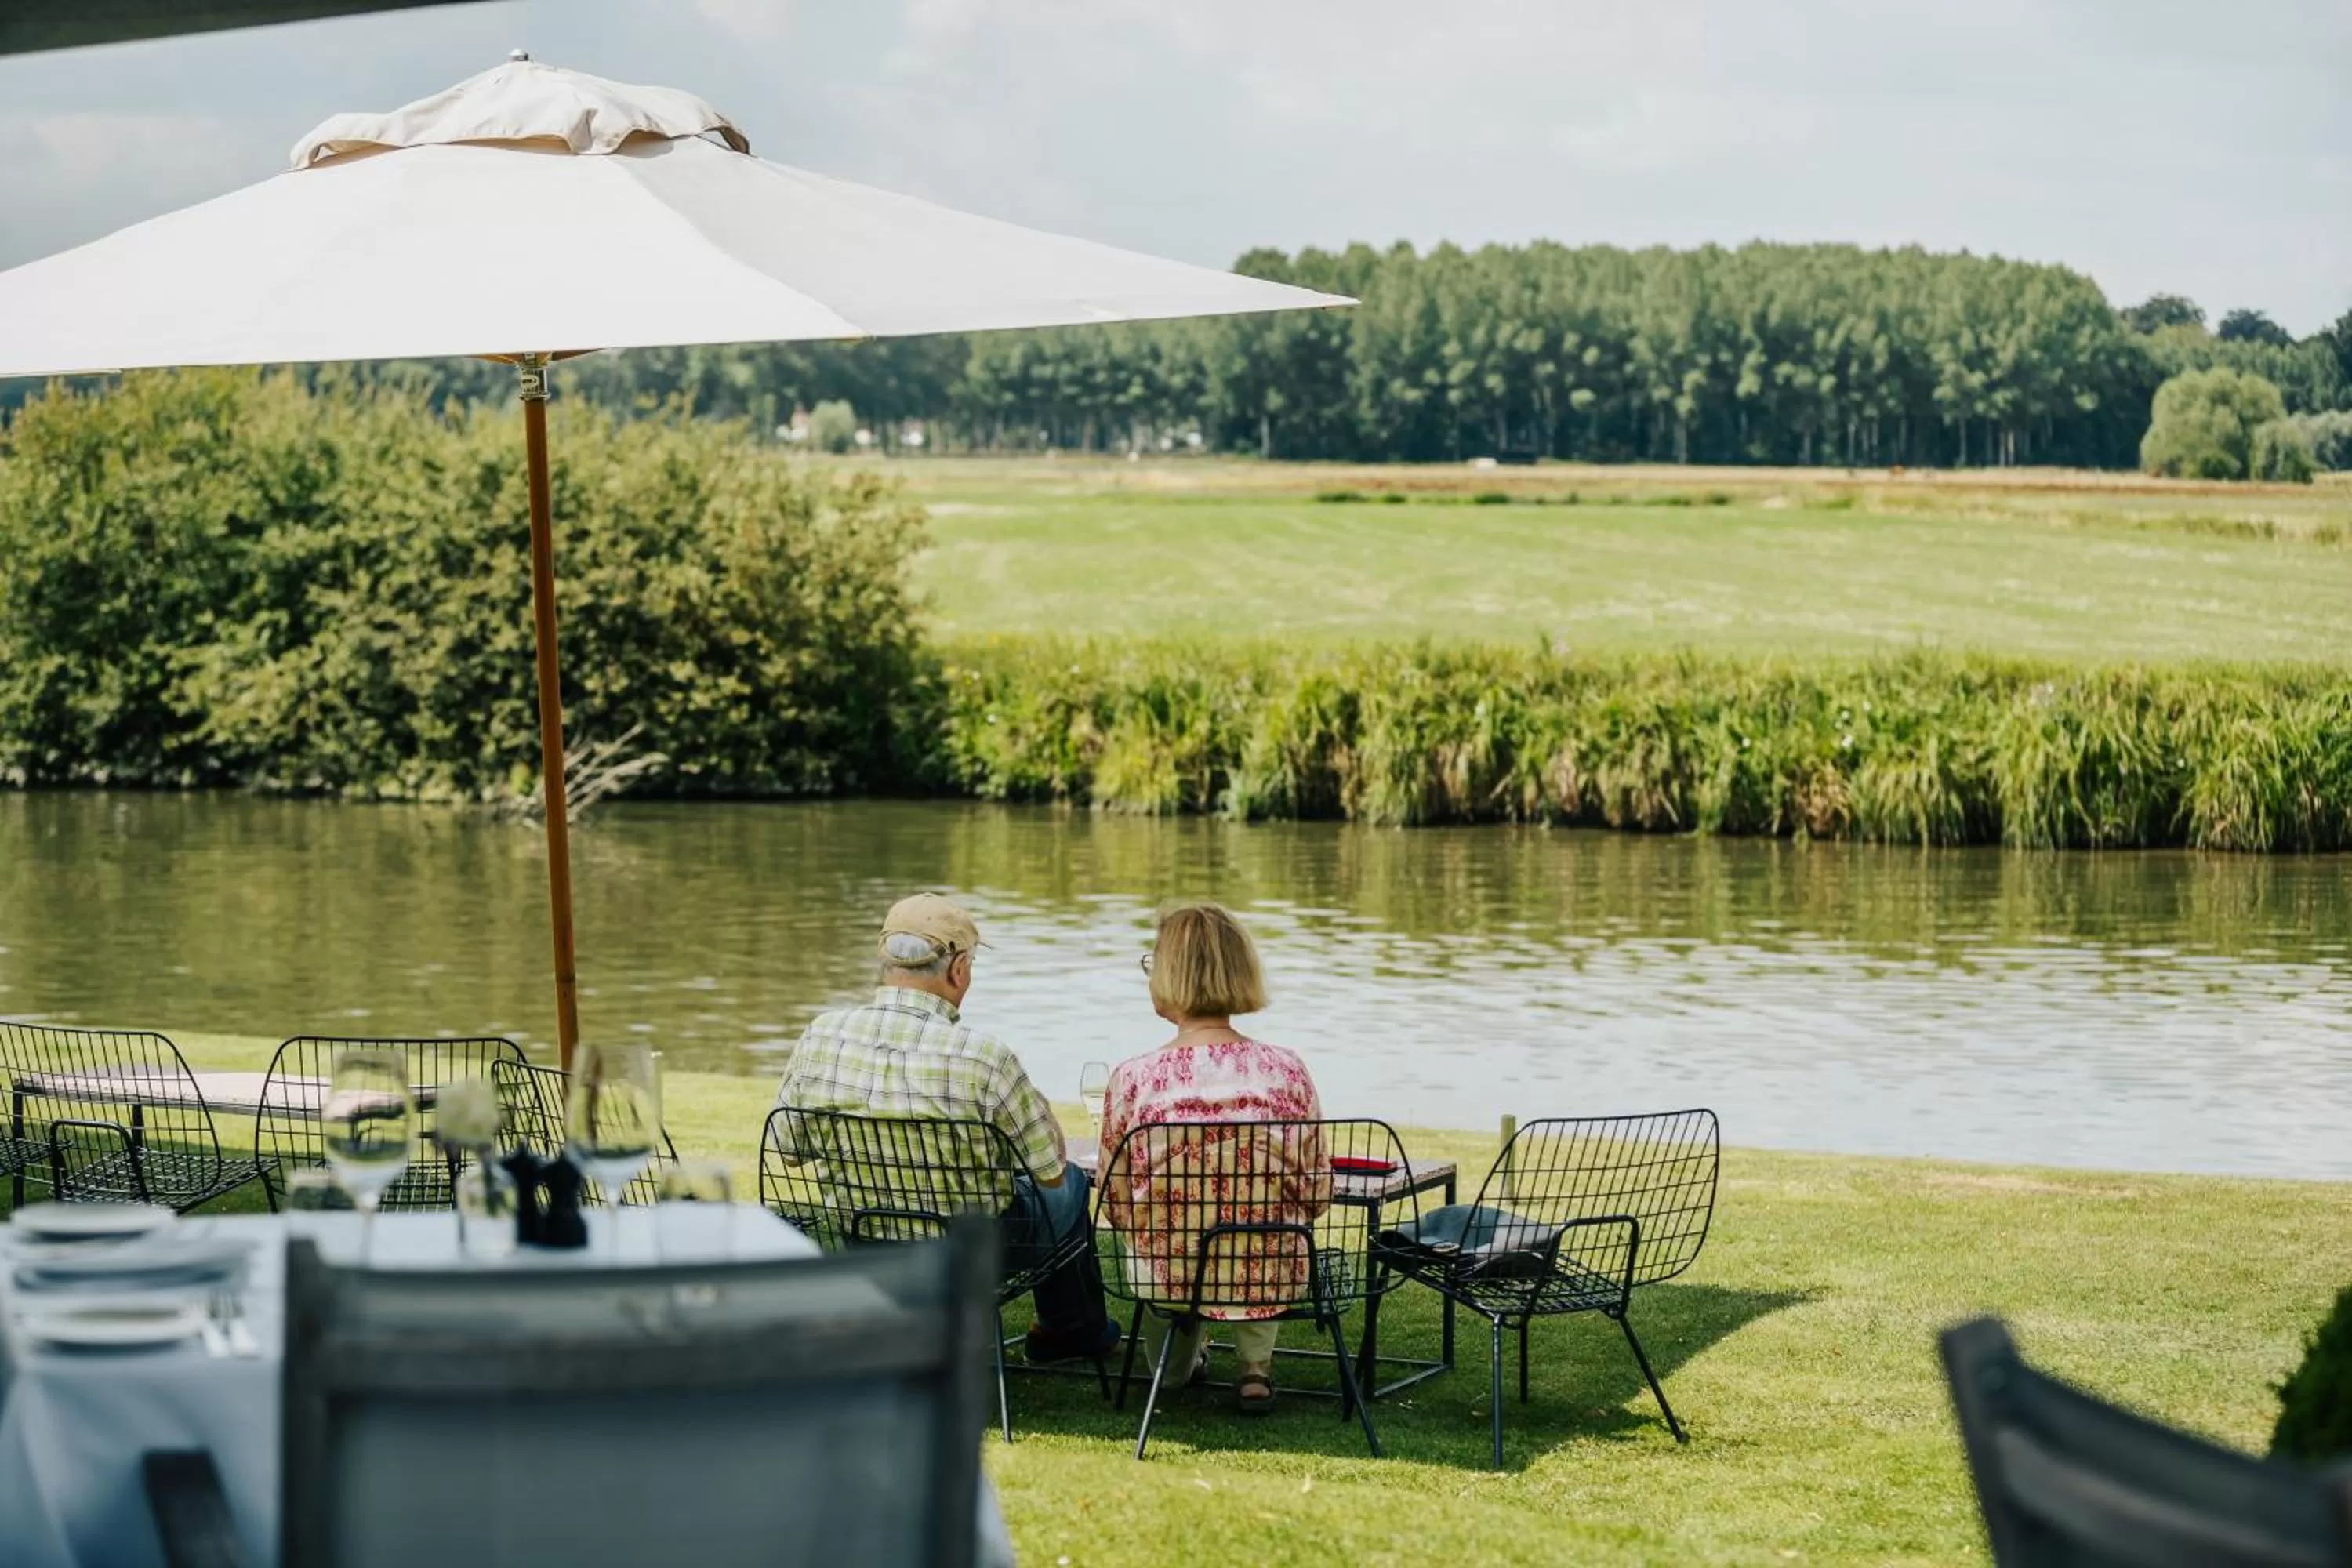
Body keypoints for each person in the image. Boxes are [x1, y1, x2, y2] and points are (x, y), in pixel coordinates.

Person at [773, 892, 1119, 1366]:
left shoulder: (821, 1036)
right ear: (958, 969)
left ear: (885, 959)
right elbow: (1051, 1172)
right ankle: (1068, 1332)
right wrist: (1035, 1104)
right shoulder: (984, 1056)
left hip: (863, 1242)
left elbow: (788, 1148)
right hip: (969, 1253)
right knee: (1074, 1186)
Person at [1098, 902, 1327, 1415]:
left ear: (1168, 976)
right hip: (1269, 1273)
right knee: (1262, 1227)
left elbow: (1117, 1205)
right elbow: (1316, 1194)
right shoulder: (1287, 1071)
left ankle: (1172, 1372)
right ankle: (1255, 1371)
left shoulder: (1134, 1079)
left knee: (1164, 1242)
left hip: (1168, 1274)